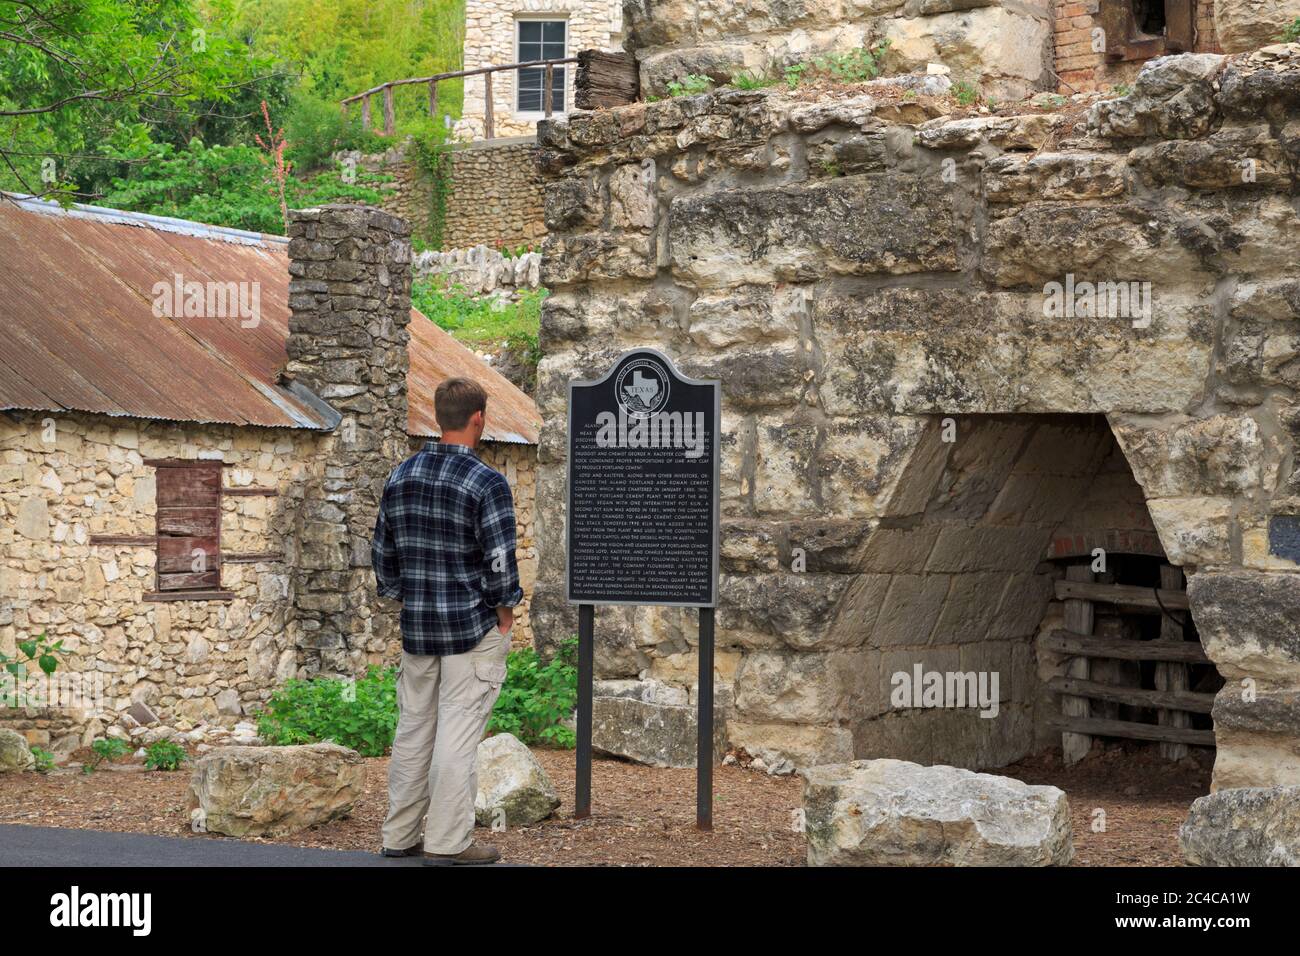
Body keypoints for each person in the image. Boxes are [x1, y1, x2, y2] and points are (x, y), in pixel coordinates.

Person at [373, 377, 523, 866]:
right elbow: (499, 558)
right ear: (479, 418)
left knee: (414, 730)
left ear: (439, 417)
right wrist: (505, 612)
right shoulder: (487, 481)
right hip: (470, 626)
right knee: (457, 734)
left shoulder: (401, 475)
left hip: (418, 629)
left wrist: (407, 598)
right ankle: (447, 842)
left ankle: (399, 836)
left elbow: (383, 556)